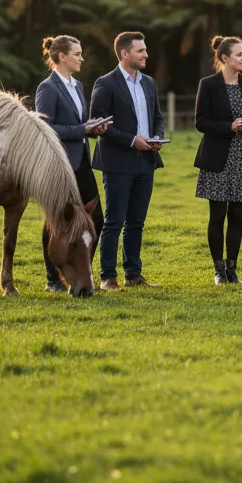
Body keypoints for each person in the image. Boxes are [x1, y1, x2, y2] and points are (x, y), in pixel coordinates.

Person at [89, 31, 165, 291]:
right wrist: (132, 140)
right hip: (118, 162)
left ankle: (133, 275)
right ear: (124, 53)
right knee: (114, 221)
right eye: (140, 51)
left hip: (146, 161)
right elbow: (99, 124)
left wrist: (157, 138)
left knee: (136, 222)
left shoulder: (149, 83)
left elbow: (157, 117)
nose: (146, 55)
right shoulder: (105, 83)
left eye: (145, 50)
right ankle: (107, 277)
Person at [35, 35, 107, 292]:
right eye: (77, 54)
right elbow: (44, 127)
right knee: (55, 222)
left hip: (82, 161)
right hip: (58, 164)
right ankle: (52, 279)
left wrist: (92, 128)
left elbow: (77, 124)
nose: (82, 58)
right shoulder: (47, 88)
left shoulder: (77, 86)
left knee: (96, 218)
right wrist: (81, 129)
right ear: (62, 57)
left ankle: (82, 272)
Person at [194, 36, 242, 285]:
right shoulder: (208, 84)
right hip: (217, 160)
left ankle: (232, 270)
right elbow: (201, 122)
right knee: (217, 216)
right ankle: (219, 271)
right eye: (239, 54)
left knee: (237, 216)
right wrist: (229, 127)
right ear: (224, 58)